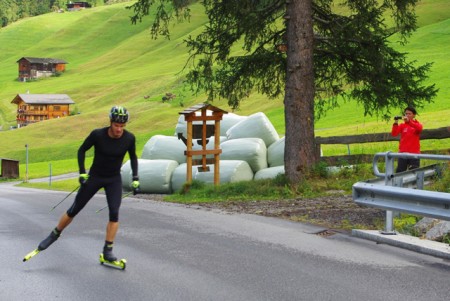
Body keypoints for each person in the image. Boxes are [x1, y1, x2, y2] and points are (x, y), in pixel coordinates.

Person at [37, 106, 140, 262]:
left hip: (113, 179)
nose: (119, 129)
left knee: (114, 212)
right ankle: (55, 234)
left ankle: (108, 250)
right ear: (110, 122)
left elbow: (133, 158)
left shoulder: (129, 138)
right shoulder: (97, 135)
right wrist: (82, 173)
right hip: (95, 176)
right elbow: (82, 150)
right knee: (74, 209)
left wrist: (135, 179)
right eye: (116, 125)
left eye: (122, 126)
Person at [391, 106, 423, 173]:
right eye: (406, 114)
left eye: (409, 114)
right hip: (403, 153)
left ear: (414, 115)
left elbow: (419, 129)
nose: (407, 115)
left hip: (414, 153)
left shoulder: (417, 124)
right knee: (400, 172)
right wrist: (396, 122)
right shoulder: (402, 125)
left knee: (414, 172)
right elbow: (394, 133)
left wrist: (409, 122)